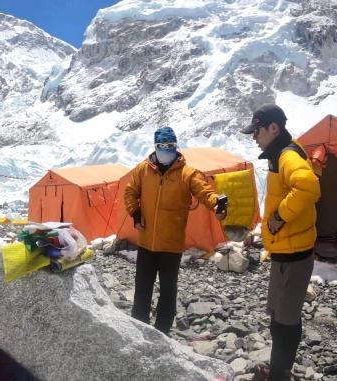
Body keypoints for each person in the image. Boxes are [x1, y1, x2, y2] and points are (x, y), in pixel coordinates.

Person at [240, 104, 320, 381]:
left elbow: (308, 185)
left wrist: (279, 216)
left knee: (286, 320)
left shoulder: (287, 155)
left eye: (257, 131)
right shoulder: (281, 153)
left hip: (295, 255)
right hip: (286, 252)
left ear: (273, 128)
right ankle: (278, 369)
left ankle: (279, 375)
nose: (254, 137)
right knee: (278, 316)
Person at [124, 127, 226, 336]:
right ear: (155, 147)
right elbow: (130, 191)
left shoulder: (188, 173)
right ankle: (138, 327)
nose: (166, 150)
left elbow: (204, 191)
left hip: (171, 244)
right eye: (162, 146)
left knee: (168, 290)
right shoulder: (142, 170)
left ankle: (162, 331)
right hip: (146, 242)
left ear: (176, 147)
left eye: (170, 146)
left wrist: (217, 203)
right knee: (142, 287)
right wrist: (135, 212)